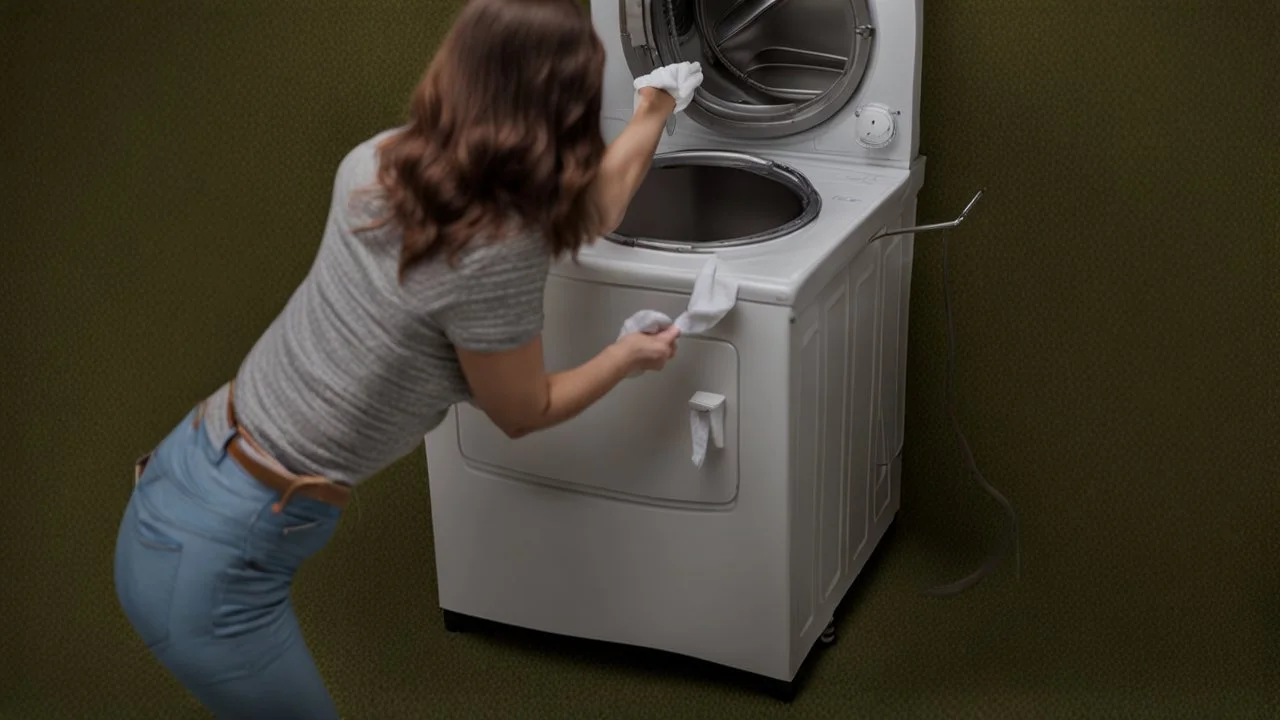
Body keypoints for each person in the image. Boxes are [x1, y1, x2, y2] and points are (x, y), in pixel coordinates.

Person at [112, 0, 704, 716]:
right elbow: (524, 411)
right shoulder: (499, 250)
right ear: (563, 109)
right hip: (221, 564)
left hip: (184, 467)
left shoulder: (381, 158)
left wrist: (653, 109)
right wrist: (624, 357)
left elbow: (577, 215)